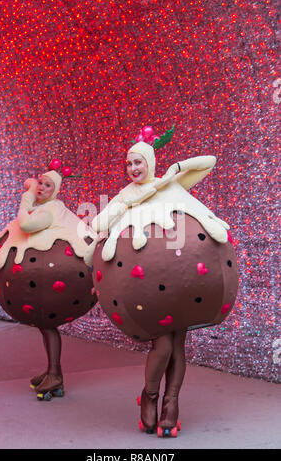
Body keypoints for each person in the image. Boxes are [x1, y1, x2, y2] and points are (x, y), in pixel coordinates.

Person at [89, 140, 238, 436]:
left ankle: (171, 404)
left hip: (182, 285)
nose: (133, 168)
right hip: (147, 289)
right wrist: (130, 201)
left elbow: (210, 159)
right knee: (165, 345)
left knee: (177, 346)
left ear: (150, 163)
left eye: (138, 162)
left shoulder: (170, 184)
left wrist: (175, 170)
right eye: (129, 163)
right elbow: (98, 223)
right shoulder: (126, 195)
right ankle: (151, 396)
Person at [0, 170, 96, 401]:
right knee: (46, 327)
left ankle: (55, 374)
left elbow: (26, 225)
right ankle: (52, 371)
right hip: (41, 290)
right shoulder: (47, 208)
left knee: (48, 326)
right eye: (40, 183)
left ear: (55, 190)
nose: (41, 187)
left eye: (48, 185)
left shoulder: (48, 212)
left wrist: (26, 197)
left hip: (50, 289)